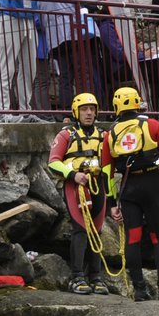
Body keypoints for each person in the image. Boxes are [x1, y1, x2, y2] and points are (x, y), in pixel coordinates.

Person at [100, 85, 159, 300]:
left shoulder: (110, 134)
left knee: (133, 238)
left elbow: (106, 172)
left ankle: (139, 290)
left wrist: (112, 203)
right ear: (137, 102)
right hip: (152, 184)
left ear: (116, 106)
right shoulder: (153, 125)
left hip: (129, 189)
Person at [48, 92, 112, 294]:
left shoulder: (103, 136)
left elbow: (111, 162)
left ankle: (96, 277)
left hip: (98, 185)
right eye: (84, 109)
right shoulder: (66, 135)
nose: (89, 113)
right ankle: (77, 277)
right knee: (81, 229)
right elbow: (53, 162)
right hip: (76, 188)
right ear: (76, 112)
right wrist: (73, 175)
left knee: (97, 230)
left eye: (92, 109)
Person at [40, 0, 101, 113]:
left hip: (54, 41)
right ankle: (85, 109)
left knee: (65, 77)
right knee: (82, 74)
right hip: (73, 35)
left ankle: (66, 112)